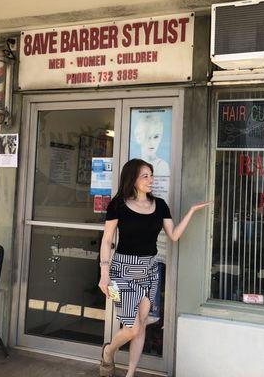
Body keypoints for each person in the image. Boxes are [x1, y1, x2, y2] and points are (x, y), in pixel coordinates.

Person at [97, 158, 210, 377]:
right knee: (132, 328)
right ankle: (109, 351)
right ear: (133, 178)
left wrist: (191, 212)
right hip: (122, 272)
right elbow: (107, 239)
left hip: (150, 271)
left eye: (151, 175)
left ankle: (130, 373)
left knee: (142, 323)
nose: (151, 180)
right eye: (145, 176)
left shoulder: (160, 205)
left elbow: (174, 236)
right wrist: (104, 273)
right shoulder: (117, 204)